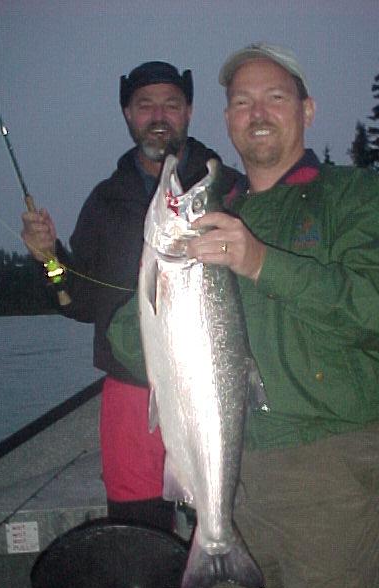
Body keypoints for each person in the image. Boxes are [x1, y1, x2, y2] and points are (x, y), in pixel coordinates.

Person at [106, 43, 379, 588]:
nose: (257, 111)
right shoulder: (213, 216)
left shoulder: (356, 197)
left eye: (275, 97)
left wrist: (260, 262)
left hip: (331, 475)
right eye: (241, 101)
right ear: (228, 120)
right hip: (228, 480)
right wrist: (157, 270)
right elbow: (129, 349)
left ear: (306, 110)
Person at [20, 61, 241, 530]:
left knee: (229, 509)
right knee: (139, 538)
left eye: (171, 104)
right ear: (127, 114)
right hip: (131, 392)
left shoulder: (228, 188)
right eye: (146, 105)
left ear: (190, 112)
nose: (159, 115)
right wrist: (49, 259)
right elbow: (77, 300)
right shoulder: (105, 200)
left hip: (215, 386)